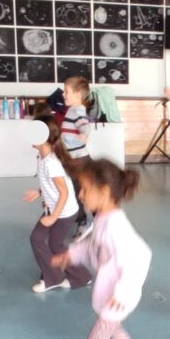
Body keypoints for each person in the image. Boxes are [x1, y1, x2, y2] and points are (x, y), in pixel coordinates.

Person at [52, 160, 151, 339]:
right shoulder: (103, 220)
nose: (81, 195)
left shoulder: (116, 227)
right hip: (110, 296)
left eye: (85, 189)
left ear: (104, 192)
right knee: (113, 327)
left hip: (118, 297)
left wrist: (123, 291)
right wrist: (71, 255)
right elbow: (93, 248)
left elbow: (141, 256)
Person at [23, 118, 91, 293]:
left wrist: (53, 216)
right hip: (54, 209)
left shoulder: (51, 162)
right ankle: (79, 276)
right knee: (47, 242)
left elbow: (64, 192)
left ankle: (58, 278)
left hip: (63, 212)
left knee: (45, 241)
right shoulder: (43, 156)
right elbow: (54, 184)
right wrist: (39, 191)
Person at [61, 76, 93, 237]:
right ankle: (82, 220)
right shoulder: (72, 109)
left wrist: (84, 134)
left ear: (78, 94)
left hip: (79, 160)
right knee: (76, 191)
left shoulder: (77, 110)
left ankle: (91, 222)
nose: (63, 94)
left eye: (66, 91)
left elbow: (85, 125)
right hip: (74, 159)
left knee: (83, 192)